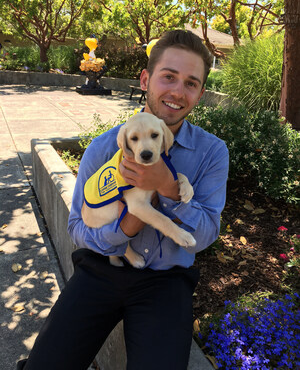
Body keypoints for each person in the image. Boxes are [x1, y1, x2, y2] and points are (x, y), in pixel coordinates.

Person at [17, 30, 229, 370]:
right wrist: (127, 226)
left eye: (191, 83)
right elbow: (77, 227)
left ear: (201, 93)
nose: (177, 91)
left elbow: (203, 236)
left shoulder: (212, 153)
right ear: (145, 79)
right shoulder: (103, 148)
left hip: (166, 280)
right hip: (102, 267)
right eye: (168, 77)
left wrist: (169, 188)